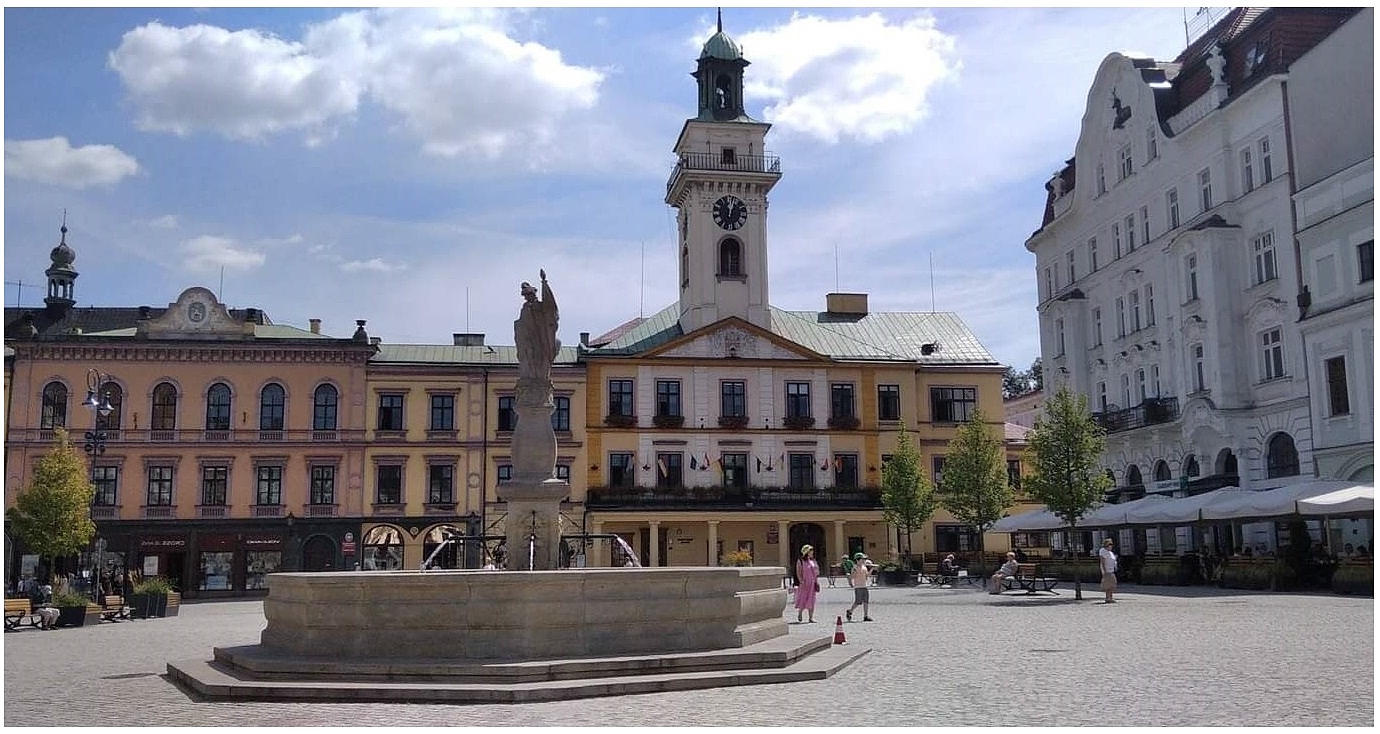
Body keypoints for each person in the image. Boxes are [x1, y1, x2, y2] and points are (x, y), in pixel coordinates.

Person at [793, 545, 820, 623]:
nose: (812, 552)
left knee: (812, 599)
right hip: (804, 583)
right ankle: (800, 613)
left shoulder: (813, 561)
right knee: (803, 599)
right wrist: (801, 581)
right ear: (806, 552)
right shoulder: (800, 561)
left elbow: (816, 572)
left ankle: (811, 617)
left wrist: (816, 581)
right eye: (811, 551)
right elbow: (798, 572)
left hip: (812, 583)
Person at [845, 552, 875, 622]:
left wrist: (872, 569)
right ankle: (850, 611)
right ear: (858, 560)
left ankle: (865, 616)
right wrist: (852, 577)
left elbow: (867, 576)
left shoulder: (864, 567)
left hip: (864, 586)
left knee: (866, 601)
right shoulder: (855, 568)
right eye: (862, 559)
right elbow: (852, 577)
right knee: (858, 602)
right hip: (858, 587)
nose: (864, 560)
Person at [1099, 538, 1119, 603]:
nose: (1110, 546)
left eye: (1111, 544)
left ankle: (1110, 597)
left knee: (1112, 584)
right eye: (1109, 544)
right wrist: (1104, 570)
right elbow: (1102, 561)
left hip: (1111, 570)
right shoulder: (1103, 551)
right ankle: (1108, 598)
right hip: (1107, 571)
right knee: (1108, 584)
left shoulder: (1110, 553)